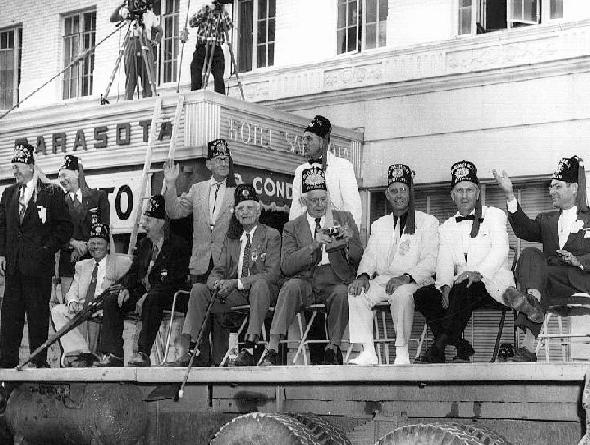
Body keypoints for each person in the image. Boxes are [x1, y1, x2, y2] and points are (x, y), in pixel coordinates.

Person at [413, 161, 515, 364]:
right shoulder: (447, 226)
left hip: (491, 283)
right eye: (459, 190)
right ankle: (459, 345)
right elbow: (444, 260)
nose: (465, 195)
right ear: (452, 195)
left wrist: (478, 273)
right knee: (423, 294)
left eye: (469, 190)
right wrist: (444, 286)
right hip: (461, 288)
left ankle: (439, 346)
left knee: (465, 286)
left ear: (477, 193)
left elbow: (501, 250)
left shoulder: (494, 215)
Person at [169, 184, 281, 367]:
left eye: (250, 208)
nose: (245, 212)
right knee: (198, 290)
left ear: (259, 211)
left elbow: (272, 274)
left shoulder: (271, 235)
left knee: (260, 285)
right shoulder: (231, 239)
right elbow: (217, 271)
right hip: (235, 295)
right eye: (240, 209)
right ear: (235, 213)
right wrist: (217, 284)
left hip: (265, 294)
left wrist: (236, 283)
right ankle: (193, 349)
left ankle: (250, 348)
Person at [261, 166, 363, 366]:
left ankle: (332, 348)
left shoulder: (344, 218)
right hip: (305, 280)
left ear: (328, 197)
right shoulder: (292, 227)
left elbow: (358, 256)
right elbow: (287, 266)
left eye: (323, 199)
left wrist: (350, 240)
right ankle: (272, 347)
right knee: (289, 287)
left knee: (343, 292)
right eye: (314, 200)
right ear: (304, 200)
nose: (319, 204)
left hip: (334, 280)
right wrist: (314, 245)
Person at [493, 155, 590, 362]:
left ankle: (530, 301)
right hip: (551, 282)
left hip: (581, 279)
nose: (551, 191)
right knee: (530, 253)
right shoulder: (546, 219)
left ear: (574, 188)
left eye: (557, 186)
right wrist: (509, 195)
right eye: (551, 186)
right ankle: (531, 308)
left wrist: (579, 260)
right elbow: (523, 230)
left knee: (537, 282)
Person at [347, 164, 439, 365]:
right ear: (387, 195)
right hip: (382, 280)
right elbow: (370, 256)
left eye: (403, 190)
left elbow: (431, 260)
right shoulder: (379, 224)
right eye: (394, 191)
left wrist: (405, 278)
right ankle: (368, 351)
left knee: (402, 294)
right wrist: (362, 276)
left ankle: (402, 353)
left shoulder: (427, 222)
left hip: (414, 280)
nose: (399, 195)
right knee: (356, 293)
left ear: (410, 192)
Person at [93, 195, 190, 367]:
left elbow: (175, 279)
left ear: (161, 222)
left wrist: (149, 294)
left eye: (148, 220)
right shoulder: (145, 243)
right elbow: (133, 272)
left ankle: (143, 353)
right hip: (144, 291)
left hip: (168, 293)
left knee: (152, 299)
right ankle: (114, 354)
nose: (144, 224)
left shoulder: (178, 245)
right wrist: (125, 287)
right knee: (111, 300)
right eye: (144, 219)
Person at [163, 138, 236, 364]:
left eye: (226, 158)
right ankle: (197, 360)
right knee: (198, 309)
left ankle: (220, 360)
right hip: (201, 262)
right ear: (209, 164)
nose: (223, 162)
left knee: (222, 314)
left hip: (226, 262)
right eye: (218, 158)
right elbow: (174, 212)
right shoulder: (197, 189)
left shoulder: (238, 192)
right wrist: (171, 184)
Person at [0, 143, 72, 368]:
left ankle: (37, 365)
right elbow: (2, 226)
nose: (15, 172)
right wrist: (2, 253)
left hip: (38, 271)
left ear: (31, 166)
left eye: (18, 167)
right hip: (13, 271)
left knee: (37, 320)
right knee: (10, 321)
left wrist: (45, 250)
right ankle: (6, 370)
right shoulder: (9, 194)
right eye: (13, 168)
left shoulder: (52, 192)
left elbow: (64, 228)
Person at [51, 223, 132, 367]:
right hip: (83, 308)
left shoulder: (121, 263)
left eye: (100, 243)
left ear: (108, 246)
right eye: (92, 243)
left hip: (103, 308)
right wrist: (72, 302)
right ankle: (81, 352)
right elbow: (72, 290)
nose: (96, 247)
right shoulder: (82, 265)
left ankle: (96, 355)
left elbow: (127, 284)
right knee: (57, 311)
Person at [289, 115, 362, 228]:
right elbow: (296, 209)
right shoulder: (301, 171)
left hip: (335, 236)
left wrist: (346, 239)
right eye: (303, 139)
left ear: (322, 141)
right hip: (308, 238)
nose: (304, 143)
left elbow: (353, 208)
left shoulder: (343, 167)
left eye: (309, 138)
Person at [57, 154, 110, 301]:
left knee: (92, 307)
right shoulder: (59, 202)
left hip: (94, 261)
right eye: (59, 177)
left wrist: (86, 246)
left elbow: (104, 228)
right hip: (68, 262)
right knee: (69, 306)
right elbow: (56, 232)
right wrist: (73, 243)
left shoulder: (99, 197)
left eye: (64, 175)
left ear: (76, 173)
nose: (62, 180)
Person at [110, 1, 162, 100]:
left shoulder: (151, 15)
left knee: (148, 76)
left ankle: (148, 100)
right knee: (131, 76)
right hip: (132, 43)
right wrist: (120, 7)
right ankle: (127, 100)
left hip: (146, 44)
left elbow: (160, 30)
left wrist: (156, 41)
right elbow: (112, 18)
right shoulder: (130, 12)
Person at [186, 0, 233, 94]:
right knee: (195, 67)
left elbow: (228, 26)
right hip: (202, 46)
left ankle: (220, 96)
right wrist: (205, 10)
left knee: (219, 73)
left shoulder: (222, 13)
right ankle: (195, 93)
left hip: (216, 47)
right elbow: (191, 23)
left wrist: (223, 12)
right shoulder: (205, 11)